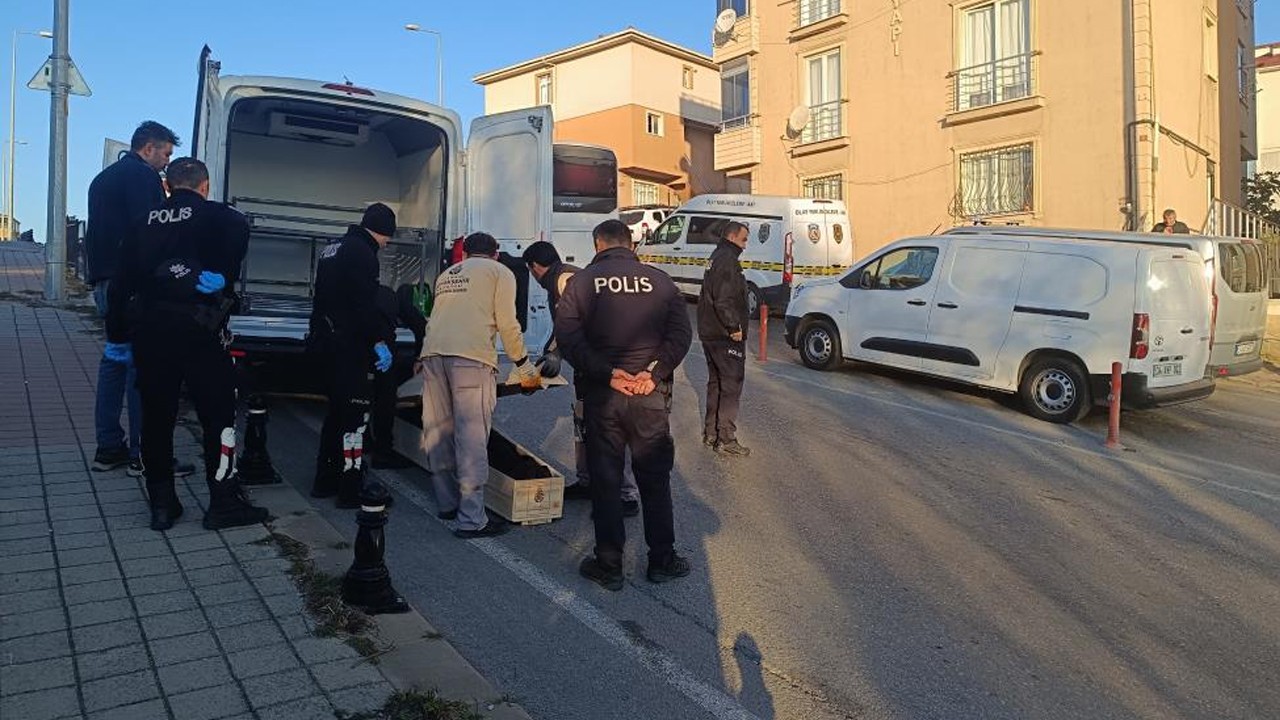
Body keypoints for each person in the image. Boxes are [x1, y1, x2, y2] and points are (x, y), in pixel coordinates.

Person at [104, 157, 270, 531]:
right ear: (205, 186)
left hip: (150, 331)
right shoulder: (221, 216)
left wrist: (116, 336)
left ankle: (162, 505)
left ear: (168, 186)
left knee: (157, 417)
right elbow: (238, 233)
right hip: (202, 330)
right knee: (218, 414)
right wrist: (223, 273)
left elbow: (119, 287)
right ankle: (223, 501)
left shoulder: (142, 223)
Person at [555, 219, 693, 591]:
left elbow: (567, 338)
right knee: (654, 479)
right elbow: (681, 334)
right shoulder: (660, 281)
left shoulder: (581, 283)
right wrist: (654, 371)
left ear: (597, 244)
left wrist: (608, 373)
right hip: (649, 394)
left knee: (606, 480)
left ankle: (609, 564)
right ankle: (662, 559)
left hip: (603, 396)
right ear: (630, 244)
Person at [86, 121, 193, 478]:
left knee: (113, 361)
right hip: (133, 286)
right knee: (141, 367)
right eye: (165, 153)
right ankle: (142, 454)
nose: (166, 162)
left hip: (106, 284)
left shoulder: (103, 179)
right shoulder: (142, 178)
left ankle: (108, 447)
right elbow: (151, 230)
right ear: (148, 148)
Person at [420, 232, 540, 539]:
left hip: (433, 356)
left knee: (438, 429)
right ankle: (472, 519)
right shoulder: (499, 272)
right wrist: (524, 366)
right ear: (496, 253)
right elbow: (507, 322)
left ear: (465, 253)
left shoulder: (448, 274)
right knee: (470, 435)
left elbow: (436, 317)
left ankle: (447, 504)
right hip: (470, 359)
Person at [523, 241, 642, 516]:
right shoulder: (562, 279)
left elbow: (574, 324)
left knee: (609, 429)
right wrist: (548, 358)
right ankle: (587, 480)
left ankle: (626, 494)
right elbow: (562, 329)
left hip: (603, 367)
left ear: (536, 268)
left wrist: (554, 353)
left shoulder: (566, 280)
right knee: (582, 424)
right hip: (587, 367)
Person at [309, 204, 399, 508]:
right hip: (349, 346)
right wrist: (377, 341)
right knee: (355, 418)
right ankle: (350, 488)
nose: (386, 244)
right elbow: (363, 304)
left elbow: (321, 297)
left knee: (335, 414)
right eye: (388, 237)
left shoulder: (333, 248)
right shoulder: (362, 253)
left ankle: (324, 481)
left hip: (326, 342)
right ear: (382, 231)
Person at [697, 221, 751, 457]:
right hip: (724, 334)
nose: (745, 245)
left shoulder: (717, 255)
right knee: (731, 386)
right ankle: (726, 438)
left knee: (716, 383)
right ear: (732, 237)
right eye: (744, 239)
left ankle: (712, 433)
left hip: (711, 332)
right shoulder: (727, 259)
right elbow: (723, 298)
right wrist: (734, 326)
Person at [367, 284, 427, 469]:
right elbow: (421, 328)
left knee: (358, 398)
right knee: (385, 400)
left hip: (357, 347)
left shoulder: (357, 292)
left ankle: (364, 442)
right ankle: (382, 453)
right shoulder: (396, 297)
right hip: (383, 348)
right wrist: (419, 357)